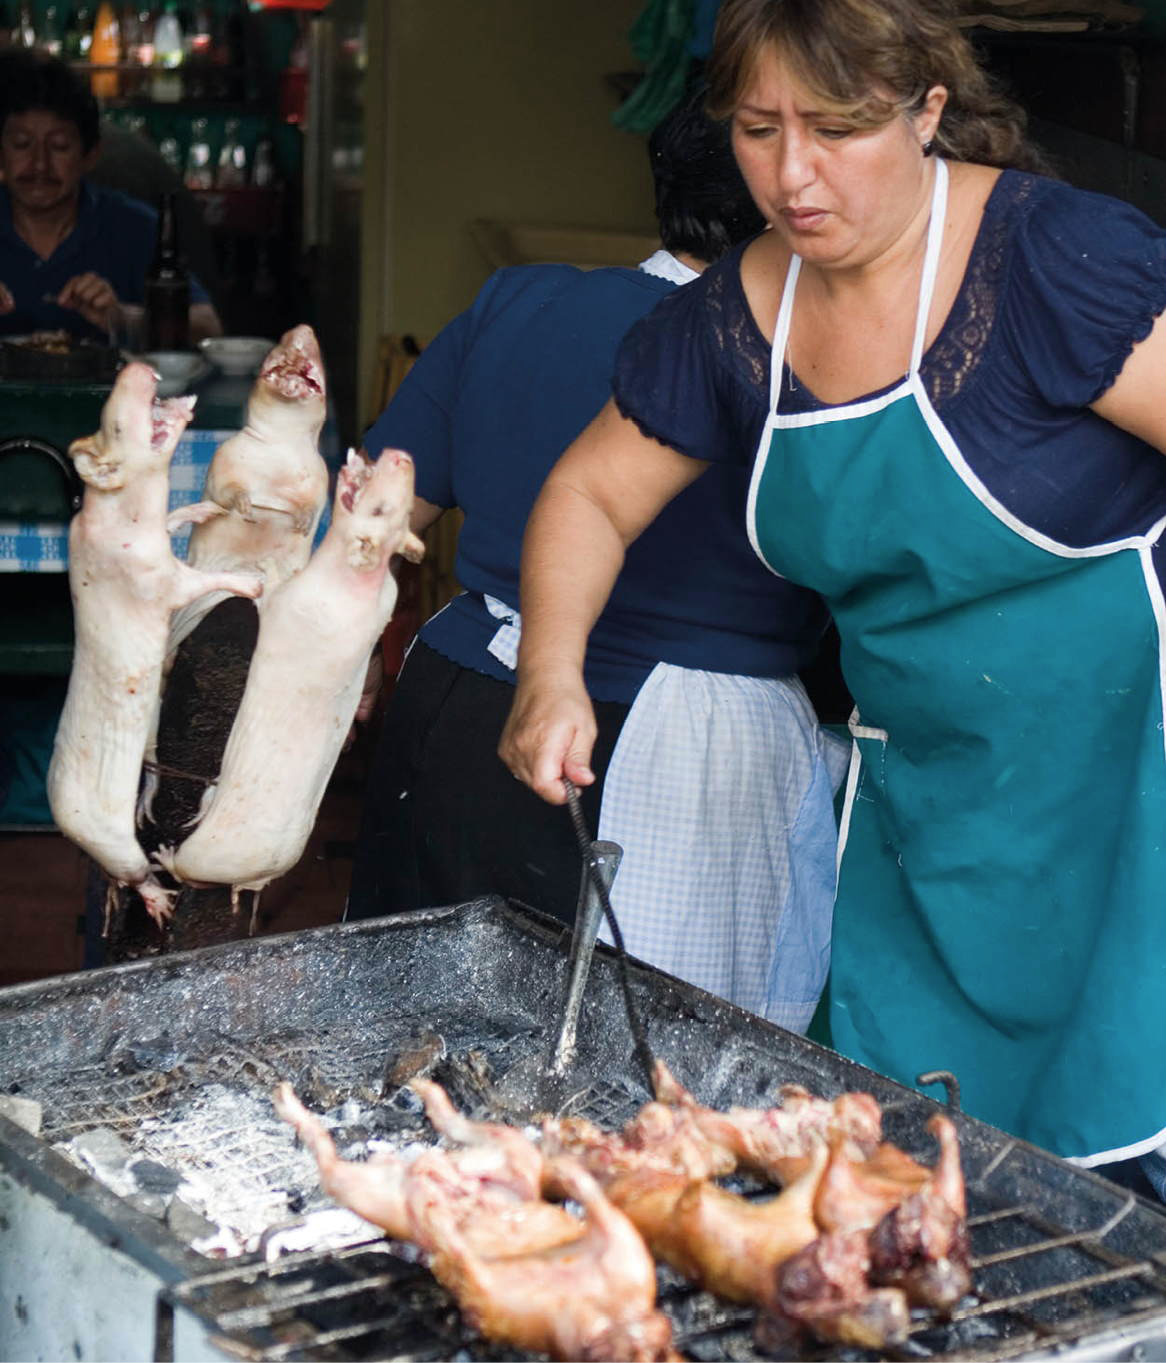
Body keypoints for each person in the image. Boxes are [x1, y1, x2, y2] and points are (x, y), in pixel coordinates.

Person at [499, 0, 1165, 1178]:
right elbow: (590, 496)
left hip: (1133, 800)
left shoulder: (1055, 263)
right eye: (759, 130)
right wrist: (549, 675)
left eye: (836, 128)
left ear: (928, 111)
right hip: (930, 825)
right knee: (918, 1172)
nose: (794, 176)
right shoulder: (732, 323)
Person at [346, 85, 847, 1034]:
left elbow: (375, 516)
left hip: (457, 707)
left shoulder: (518, 299)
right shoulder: (799, 355)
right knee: (638, 1093)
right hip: (665, 748)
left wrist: (343, 671)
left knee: (414, 1053)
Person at [0, 48, 221, 344]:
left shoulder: (134, 225)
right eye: (21, 144)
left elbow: (209, 327)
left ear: (90, 155)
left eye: (60, 146)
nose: (40, 164)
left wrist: (123, 318)